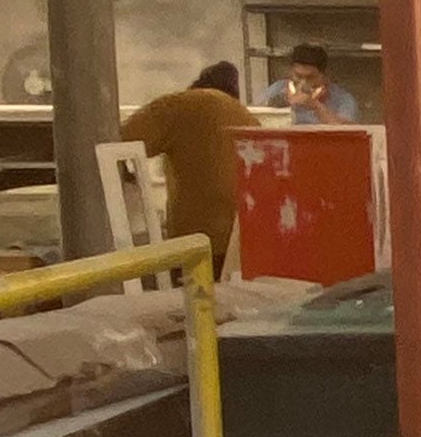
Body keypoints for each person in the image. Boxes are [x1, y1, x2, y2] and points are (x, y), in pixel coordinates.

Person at [121, 63, 259, 270]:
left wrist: (126, 175)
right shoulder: (246, 117)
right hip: (241, 242)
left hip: (194, 240)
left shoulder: (177, 105)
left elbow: (117, 142)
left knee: (193, 299)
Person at [261, 41, 360, 124]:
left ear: (324, 76)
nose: (303, 83)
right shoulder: (277, 89)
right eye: (298, 76)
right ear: (290, 72)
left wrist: (316, 106)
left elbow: (349, 132)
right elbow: (255, 119)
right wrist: (279, 102)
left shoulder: (343, 100)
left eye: (310, 77)